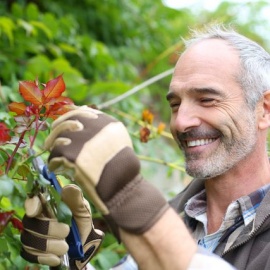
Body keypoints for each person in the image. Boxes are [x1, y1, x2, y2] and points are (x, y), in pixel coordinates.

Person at [20, 24, 270, 270]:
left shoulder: (156, 222)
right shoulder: (176, 213)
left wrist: (127, 193)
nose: (181, 122)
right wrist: (72, 260)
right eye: (175, 105)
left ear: (265, 110)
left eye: (207, 100)